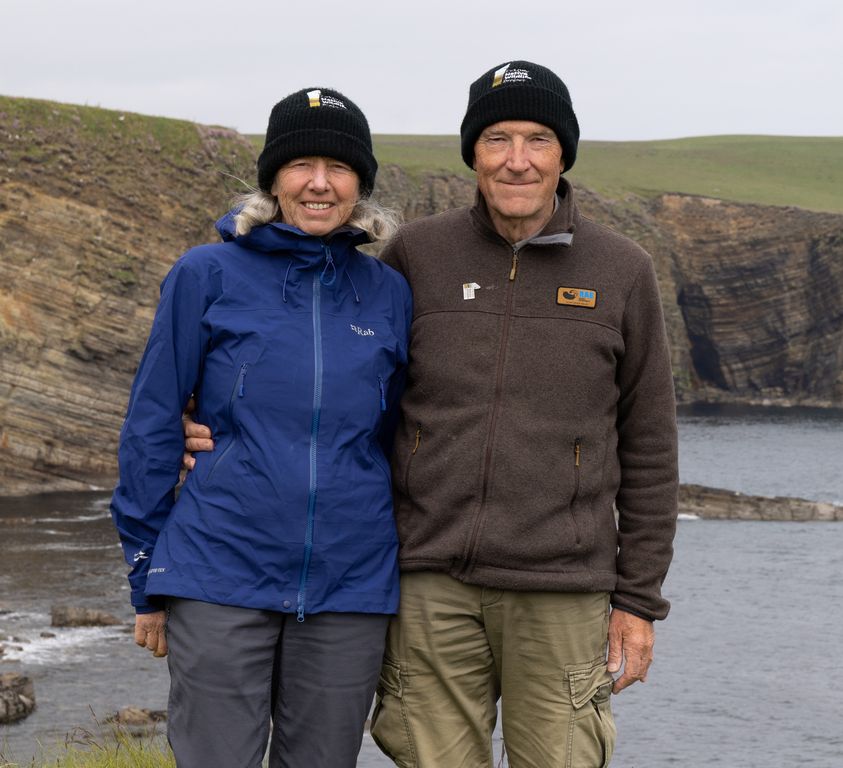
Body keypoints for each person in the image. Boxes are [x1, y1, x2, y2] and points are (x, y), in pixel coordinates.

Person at [186, 60, 679, 768]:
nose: (516, 161)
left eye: (537, 139)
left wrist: (637, 601)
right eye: (497, 139)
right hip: (426, 584)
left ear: (562, 152)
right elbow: (344, 375)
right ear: (471, 152)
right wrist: (205, 421)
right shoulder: (415, 254)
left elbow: (651, 445)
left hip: (562, 589)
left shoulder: (621, 270)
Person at [110, 87, 412, 768]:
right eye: (299, 165)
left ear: (359, 184)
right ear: (272, 180)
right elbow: (153, 425)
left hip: (349, 583)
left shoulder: (386, 291)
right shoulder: (204, 274)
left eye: (337, 168)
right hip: (218, 571)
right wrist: (146, 577)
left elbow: (397, 434)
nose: (318, 183)